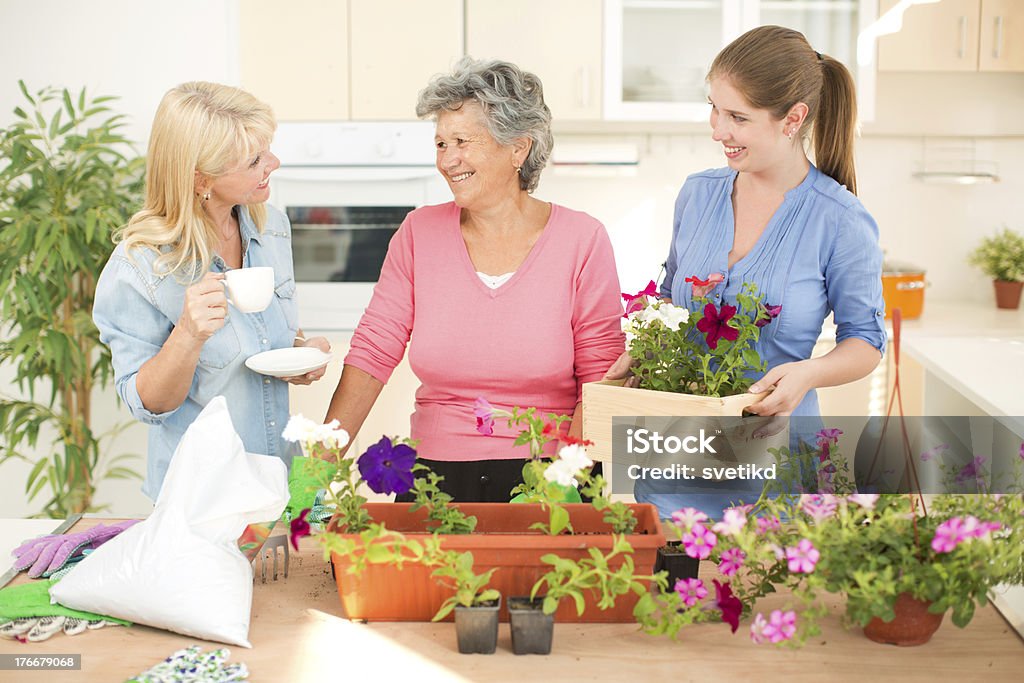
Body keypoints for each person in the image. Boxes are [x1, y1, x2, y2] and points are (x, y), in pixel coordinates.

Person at [607, 26, 886, 518]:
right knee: (672, 590)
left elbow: (865, 341)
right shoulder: (697, 194)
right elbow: (671, 294)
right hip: (676, 460)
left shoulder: (840, 220)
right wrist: (642, 349)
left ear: (792, 119)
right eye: (713, 108)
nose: (717, 130)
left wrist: (809, 373)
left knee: (761, 591)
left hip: (772, 470)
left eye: (737, 116)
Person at [324, 57, 624, 502]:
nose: (448, 160)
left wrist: (564, 484)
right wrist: (316, 469)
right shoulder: (418, 233)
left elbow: (601, 378)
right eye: (441, 144)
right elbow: (373, 350)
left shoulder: (582, 240)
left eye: (462, 141)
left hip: (549, 473)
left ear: (518, 148)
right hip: (434, 473)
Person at [93, 82, 330, 500]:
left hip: (278, 480)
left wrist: (299, 350)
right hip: (201, 499)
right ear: (202, 178)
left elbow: (259, 337)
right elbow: (147, 404)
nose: (273, 163)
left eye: (268, 149)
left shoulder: (271, 225)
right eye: (255, 159)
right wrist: (188, 332)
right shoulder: (141, 265)